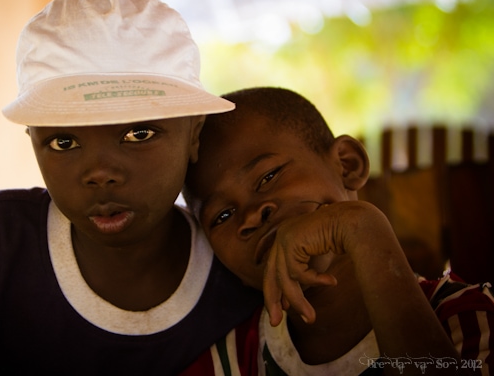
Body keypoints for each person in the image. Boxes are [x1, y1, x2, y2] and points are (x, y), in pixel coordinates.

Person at [0, 0, 263, 375]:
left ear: (194, 134)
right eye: (64, 141)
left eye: (139, 134)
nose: (100, 172)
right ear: (33, 140)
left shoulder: (237, 263)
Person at [184, 86, 493, 375]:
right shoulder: (230, 363)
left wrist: (363, 228)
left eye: (268, 177)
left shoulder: (466, 316)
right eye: (222, 215)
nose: (252, 215)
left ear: (347, 165)